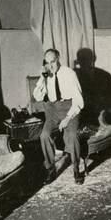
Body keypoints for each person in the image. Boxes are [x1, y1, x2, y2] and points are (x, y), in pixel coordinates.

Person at [33, 48, 85, 184]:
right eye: (47, 62)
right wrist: (42, 78)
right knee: (44, 136)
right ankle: (51, 169)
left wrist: (67, 119)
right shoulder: (46, 74)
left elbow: (79, 101)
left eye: (53, 62)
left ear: (59, 59)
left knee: (72, 136)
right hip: (53, 111)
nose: (51, 66)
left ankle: (76, 169)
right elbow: (37, 97)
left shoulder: (70, 74)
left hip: (70, 109)